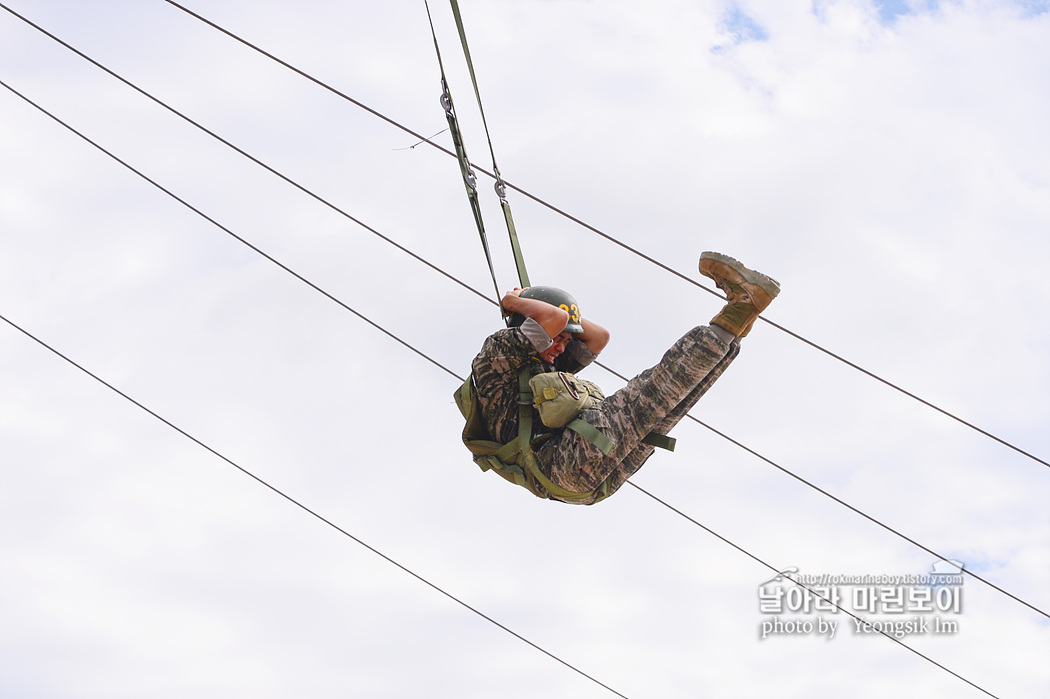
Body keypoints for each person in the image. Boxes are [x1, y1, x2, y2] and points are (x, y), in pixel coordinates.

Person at [466, 251, 780, 505]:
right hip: (562, 462)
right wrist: (514, 302)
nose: (560, 347)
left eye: (565, 340)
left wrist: (565, 321)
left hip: (579, 477)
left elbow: (598, 336)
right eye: (555, 339)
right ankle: (743, 304)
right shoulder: (499, 354)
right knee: (653, 392)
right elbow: (555, 319)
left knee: (669, 407)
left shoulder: (543, 365)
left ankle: (742, 316)